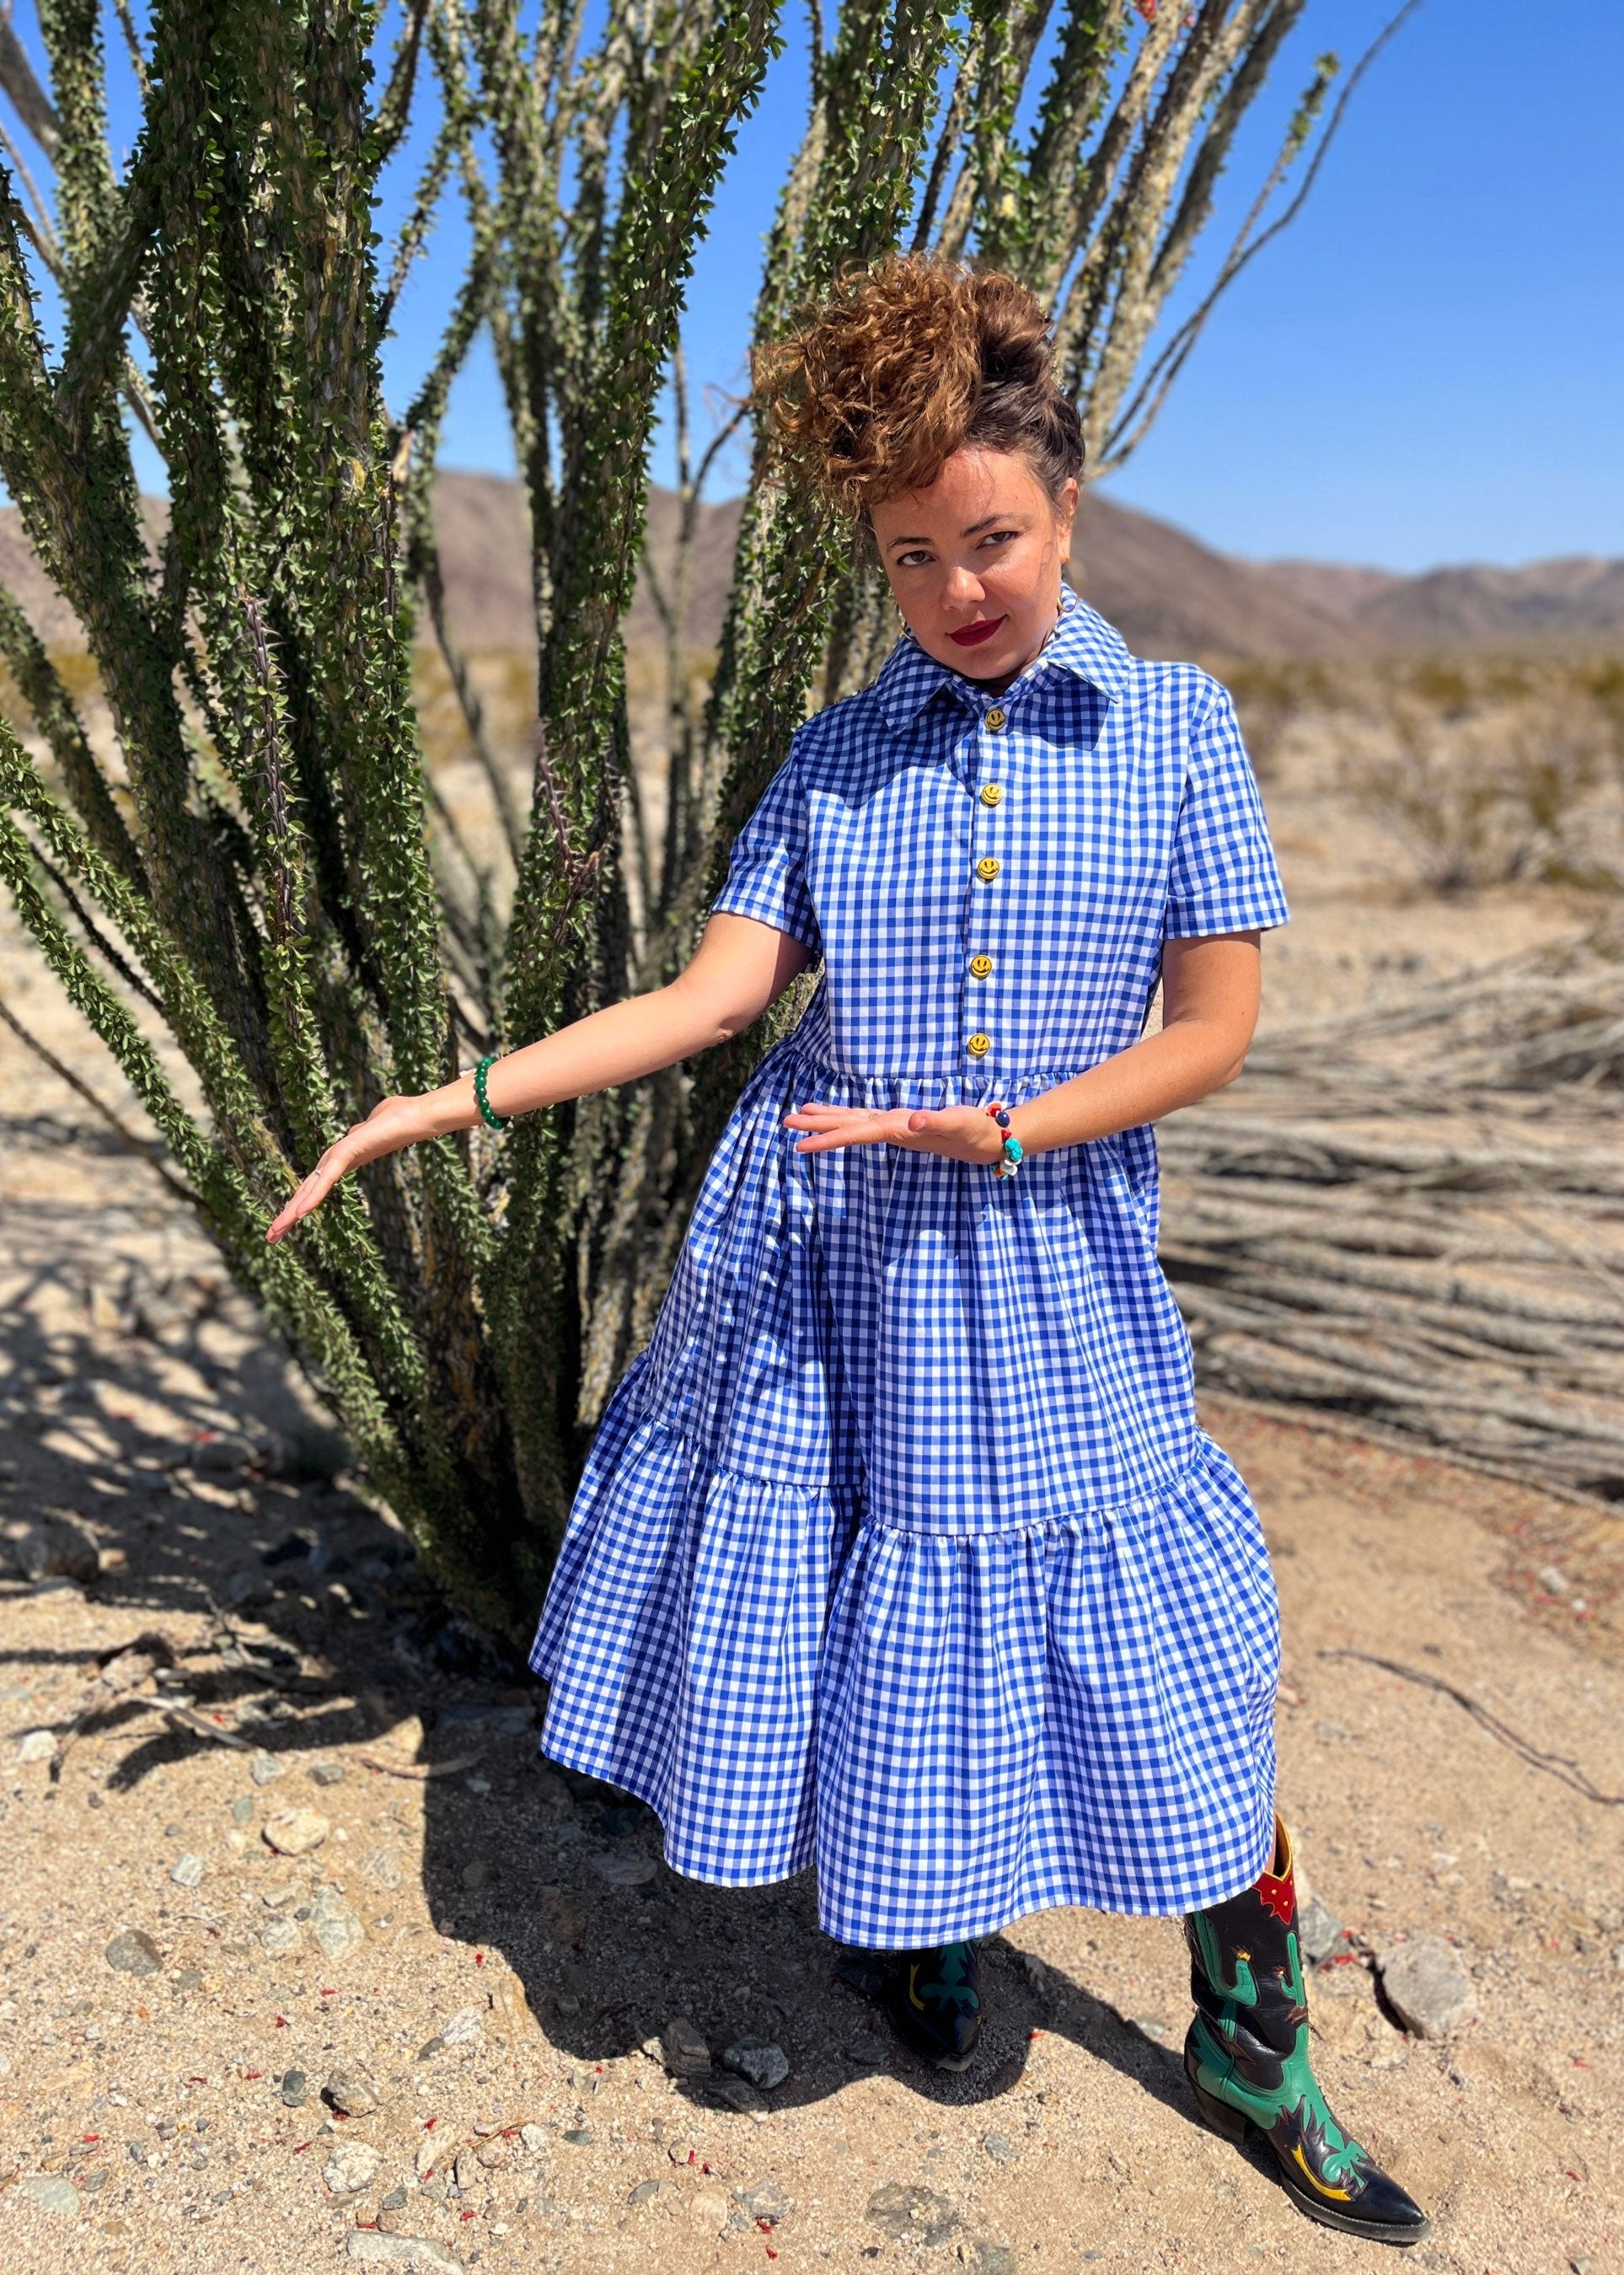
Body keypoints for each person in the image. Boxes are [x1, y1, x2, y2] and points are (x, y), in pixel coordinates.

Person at [267, 256, 1429, 2248]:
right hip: (836, 1273)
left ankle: (1255, 2036)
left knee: (1167, 1649)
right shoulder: (830, 762)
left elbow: (1213, 1031)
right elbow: (713, 1004)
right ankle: (929, 1933)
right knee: (887, 1621)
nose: (956, 589)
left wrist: (1012, 1127)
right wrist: (449, 1098)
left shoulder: (1178, 732)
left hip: (1053, 1259)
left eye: (986, 539)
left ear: (1064, 506)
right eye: (909, 558)